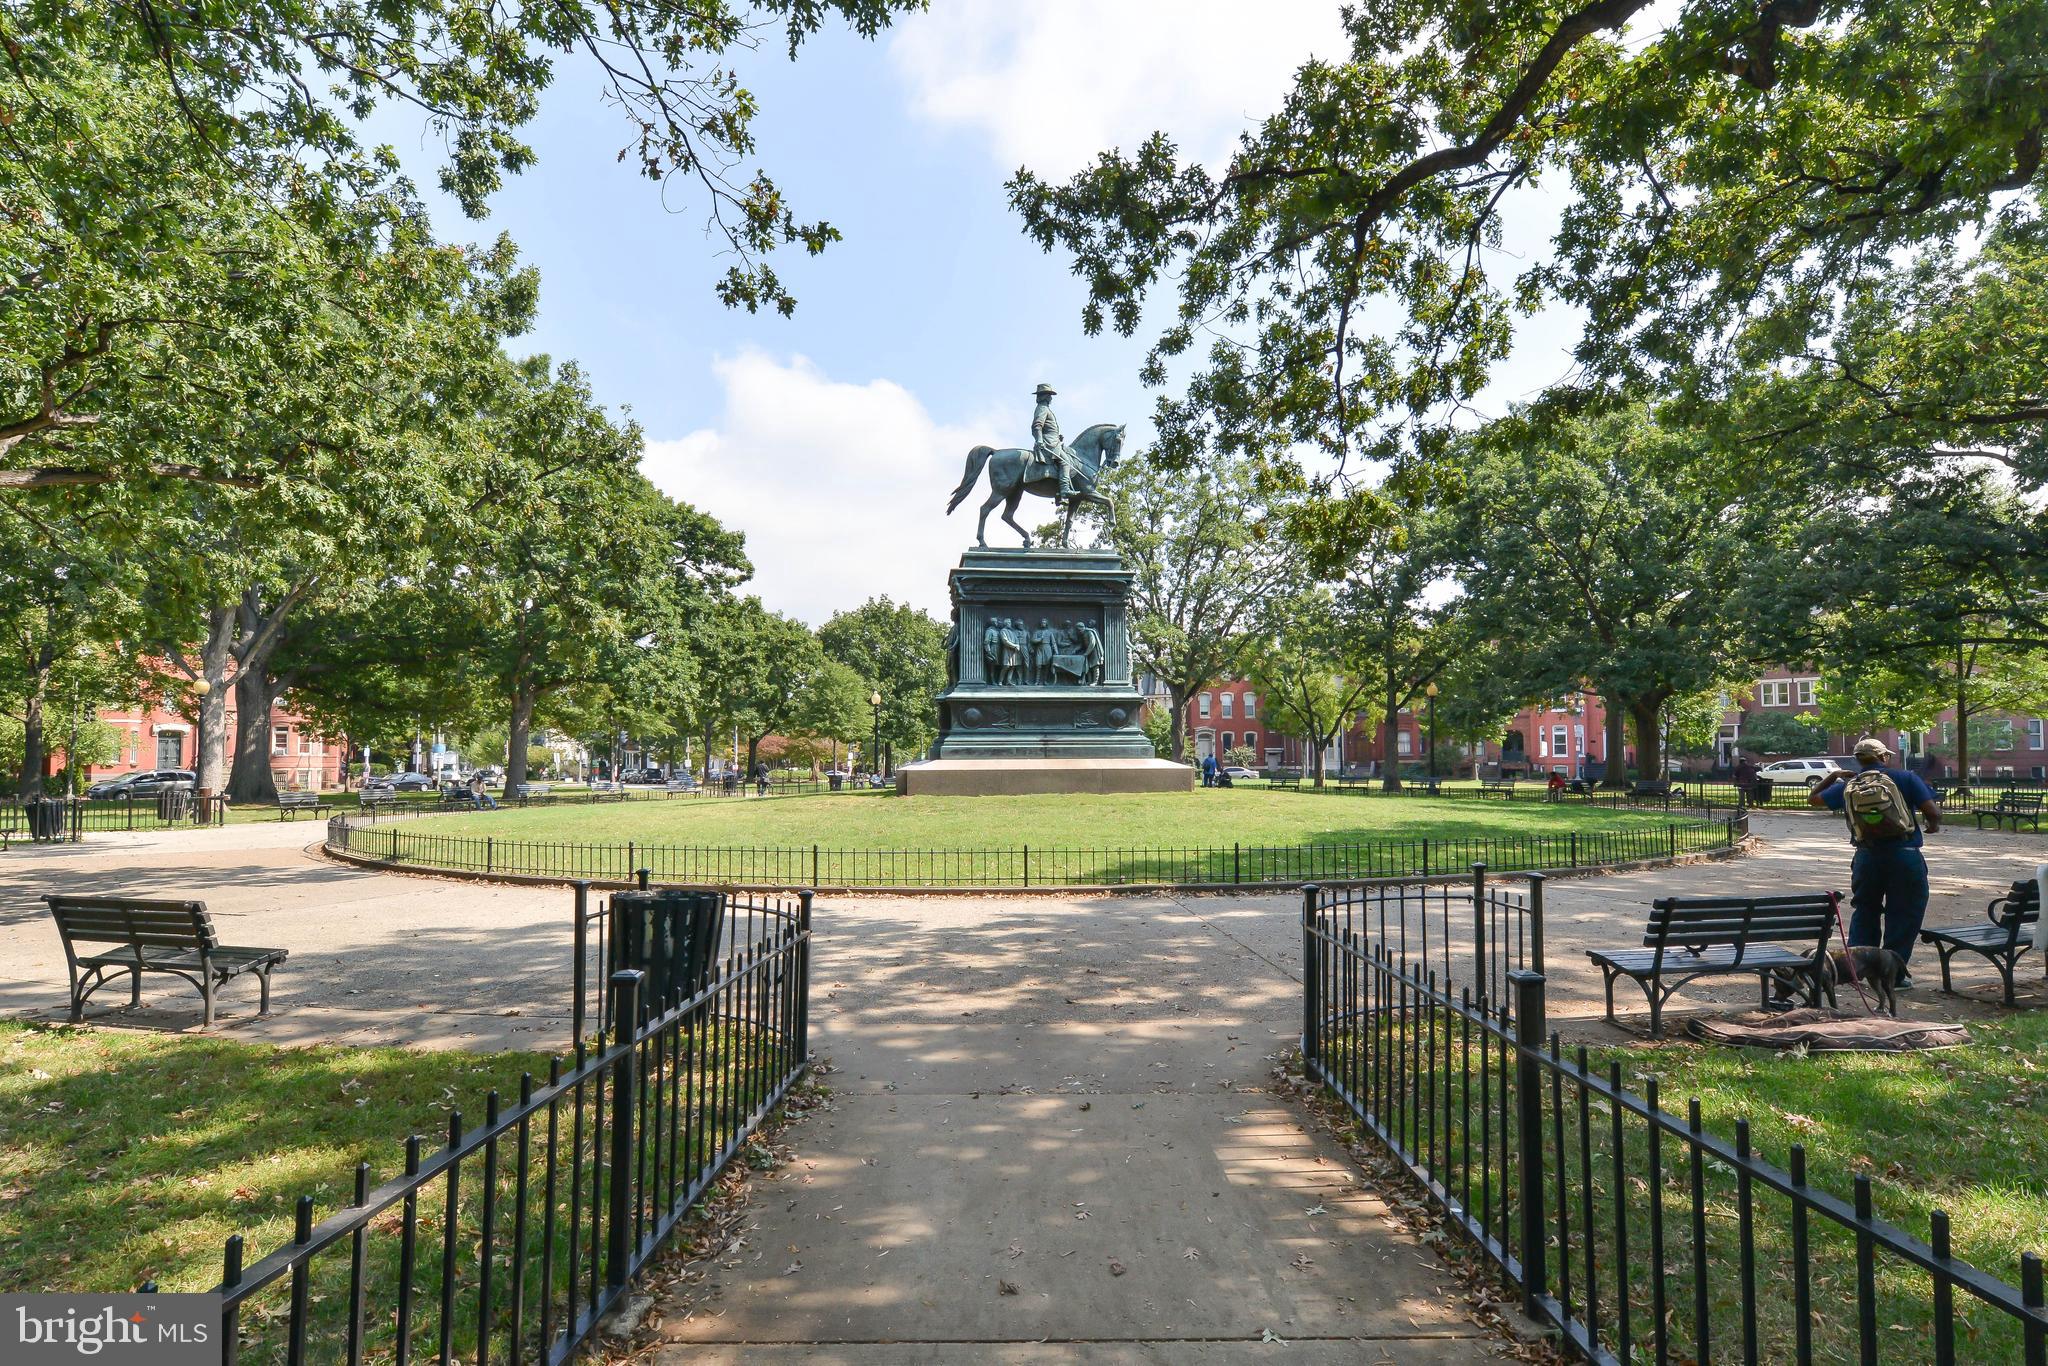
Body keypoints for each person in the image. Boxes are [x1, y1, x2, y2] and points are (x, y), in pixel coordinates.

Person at [1810, 736, 1942, 985]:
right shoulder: (1905, 778)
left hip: (1867, 857)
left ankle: (1857, 970)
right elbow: (1933, 813)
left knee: (1865, 911)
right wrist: (1932, 824)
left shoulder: (1850, 784)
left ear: (1858, 760)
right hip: (1905, 856)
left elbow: (1813, 798)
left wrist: (1834, 775)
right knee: (1905, 914)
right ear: (1884, 757)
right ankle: (1892, 976)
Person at [1030, 382, 1078, 502]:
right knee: (1066, 462)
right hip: (1048, 443)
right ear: (1045, 396)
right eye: (1049, 395)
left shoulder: (1045, 409)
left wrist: (1057, 436)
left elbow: (1047, 427)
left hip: (1054, 441)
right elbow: (1037, 425)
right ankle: (1064, 490)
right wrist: (1040, 440)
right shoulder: (1042, 409)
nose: (1051, 398)